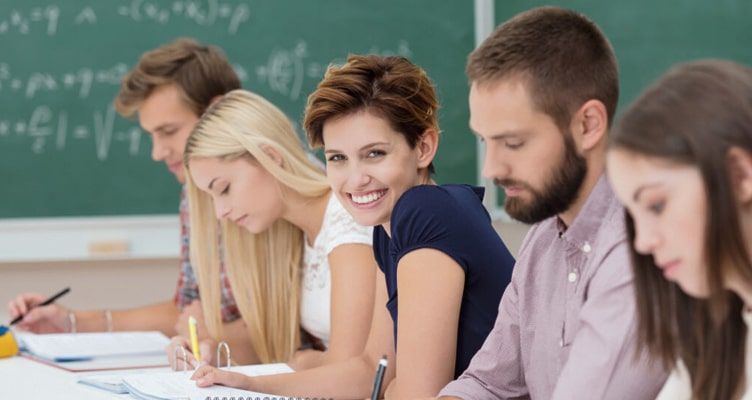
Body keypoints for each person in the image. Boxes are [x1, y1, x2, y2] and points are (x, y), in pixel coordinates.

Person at [190, 54, 515, 399]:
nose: (356, 180)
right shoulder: (387, 229)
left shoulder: (425, 211)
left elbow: (418, 394)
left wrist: (389, 389)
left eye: (375, 153)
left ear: (423, 148)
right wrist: (249, 384)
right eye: (338, 158)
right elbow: (368, 369)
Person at [437, 6, 667, 400]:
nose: (491, 168)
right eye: (483, 141)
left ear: (588, 125)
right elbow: (487, 382)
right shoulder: (544, 235)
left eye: (513, 143)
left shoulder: (642, 249)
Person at [6, 38, 259, 365]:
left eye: (169, 131)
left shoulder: (273, 194)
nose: (157, 152)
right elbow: (185, 313)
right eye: (152, 135)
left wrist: (214, 332)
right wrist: (72, 322)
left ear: (216, 111)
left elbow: (290, 333)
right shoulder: (193, 196)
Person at [173, 88, 376, 370]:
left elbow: (345, 370)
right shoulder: (293, 233)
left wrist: (301, 362)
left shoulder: (347, 219)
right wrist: (211, 354)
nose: (221, 213)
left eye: (224, 189)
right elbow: (277, 349)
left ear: (270, 156)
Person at [606, 60, 752, 400]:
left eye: (657, 205)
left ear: (740, 175)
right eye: (634, 216)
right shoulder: (715, 346)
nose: (642, 243)